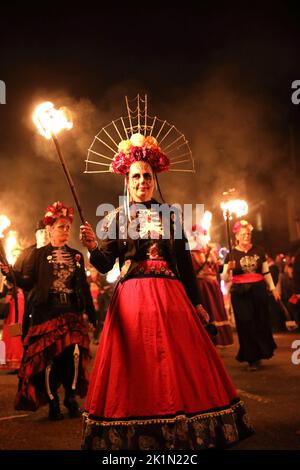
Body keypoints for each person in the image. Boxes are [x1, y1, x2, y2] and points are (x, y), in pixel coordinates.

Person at [79, 131, 253, 450]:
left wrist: (196, 303)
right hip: (133, 299)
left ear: (154, 178)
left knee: (177, 362)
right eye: (136, 176)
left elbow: (185, 265)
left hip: (172, 298)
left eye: (147, 175)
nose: (142, 181)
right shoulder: (117, 218)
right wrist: (92, 246)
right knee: (137, 363)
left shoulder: (172, 216)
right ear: (127, 181)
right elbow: (105, 265)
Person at [0, 202, 96, 421]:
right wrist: (10, 273)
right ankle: (52, 401)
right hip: (46, 314)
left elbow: (82, 287)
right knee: (49, 361)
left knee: (73, 356)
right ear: (50, 229)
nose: (65, 231)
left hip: (70, 313)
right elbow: (27, 282)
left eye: (67, 227)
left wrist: (90, 313)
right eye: (60, 226)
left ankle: (70, 397)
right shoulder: (38, 255)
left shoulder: (76, 256)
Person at [222, 220, 279, 371]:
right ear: (237, 236)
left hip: (258, 291)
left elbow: (265, 272)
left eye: (248, 233)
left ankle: (259, 354)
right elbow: (224, 278)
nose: (246, 236)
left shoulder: (259, 250)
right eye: (243, 234)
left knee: (260, 322)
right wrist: (228, 270)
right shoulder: (231, 254)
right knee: (246, 323)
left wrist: (273, 289)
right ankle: (251, 357)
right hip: (240, 293)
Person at [190, 225, 233, 347]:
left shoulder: (211, 251)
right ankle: (204, 341)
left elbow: (218, 270)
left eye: (201, 234)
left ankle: (218, 339)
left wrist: (227, 267)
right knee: (205, 313)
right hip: (201, 286)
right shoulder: (191, 252)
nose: (199, 237)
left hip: (213, 286)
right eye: (196, 234)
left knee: (216, 312)